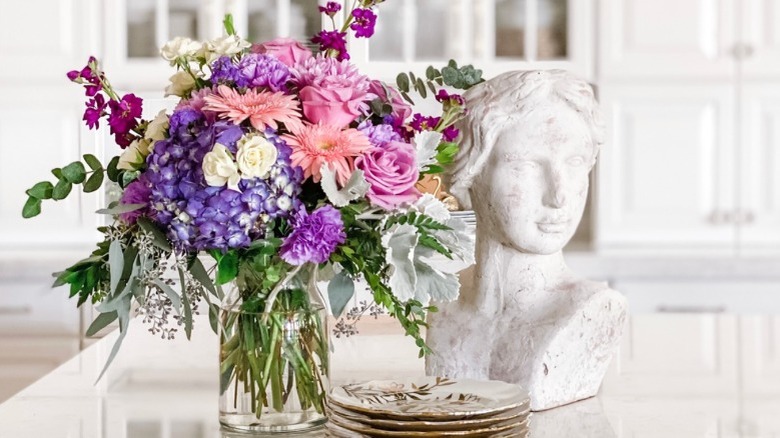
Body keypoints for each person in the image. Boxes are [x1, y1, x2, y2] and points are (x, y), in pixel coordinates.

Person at [426, 70, 627, 411]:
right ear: (469, 178)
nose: (559, 195)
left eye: (576, 162)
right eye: (527, 165)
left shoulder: (593, 310)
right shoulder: (442, 303)